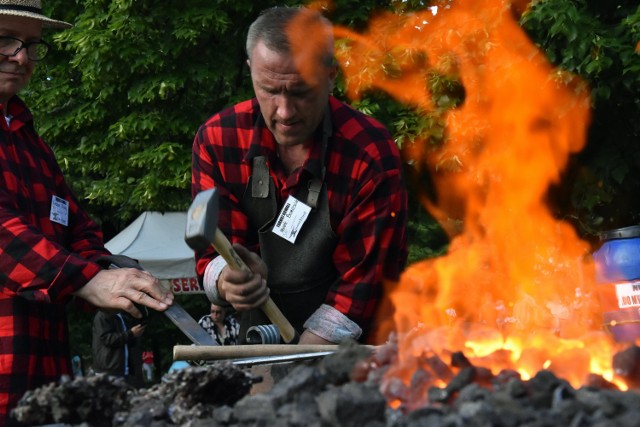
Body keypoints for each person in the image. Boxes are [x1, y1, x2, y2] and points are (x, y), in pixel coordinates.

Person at [191, 6, 408, 346]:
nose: (284, 112)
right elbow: (213, 254)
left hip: (356, 343)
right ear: (251, 72)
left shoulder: (369, 153)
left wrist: (302, 364)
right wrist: (227, 281)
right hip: (259, 338)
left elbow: (363, 281)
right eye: (269, 90)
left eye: (301, 91)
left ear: (331, 75)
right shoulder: (219, 141)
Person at [0, 2, 174, 424]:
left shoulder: (30, 143)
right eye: (6, 39)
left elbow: (77, 225)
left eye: (33, 45)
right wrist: (89, 279)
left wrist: (113, 275)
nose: (22, 56)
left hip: (40, 374)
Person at [91, 311, 146, 388]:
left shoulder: (123, 316)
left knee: (122, 398)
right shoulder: (102, 315)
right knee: (110, 398)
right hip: (108, 369)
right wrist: (131, 333)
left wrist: (135, 335)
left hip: (123, 369)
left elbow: (126, 340)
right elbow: (108, 339)